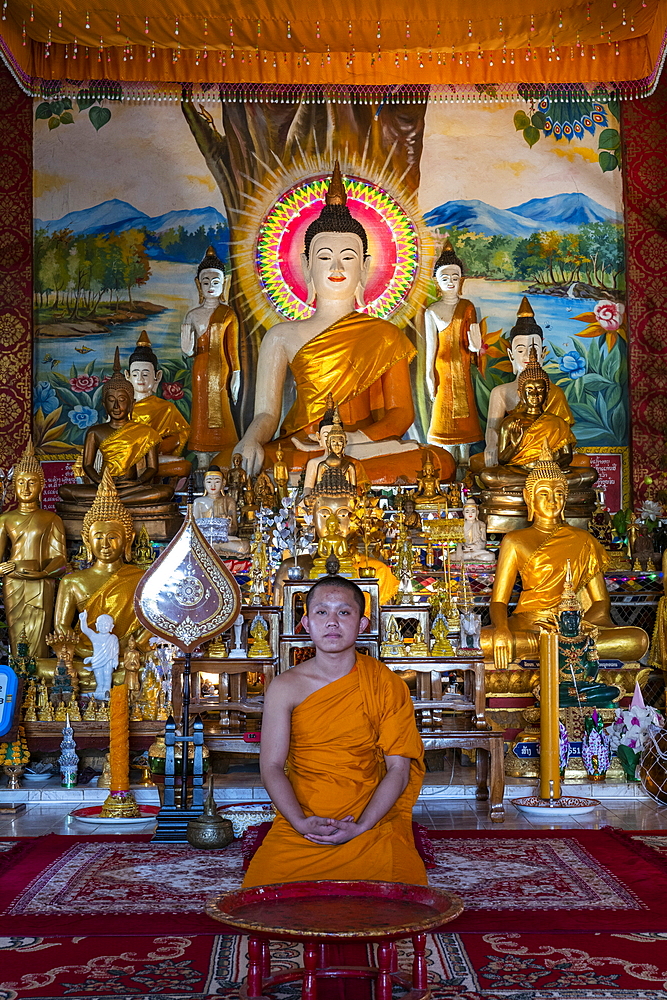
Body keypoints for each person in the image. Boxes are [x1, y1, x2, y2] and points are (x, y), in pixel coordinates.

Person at [230, 162, 455, 485]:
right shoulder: (281, 336)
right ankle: (338, 476)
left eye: (348, 257)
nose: (336, 266)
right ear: (307, 265)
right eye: (324, 257)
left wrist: (353, 440)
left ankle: (330, 475)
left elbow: (400, 415)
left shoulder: (385, 334)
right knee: (237, 460)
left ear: (364, 267)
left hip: (365, 445)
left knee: (438, 461)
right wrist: (251, 439)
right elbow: (267, 414)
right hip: (304, 445)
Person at [243, 576, 426, 887]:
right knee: (260, 896)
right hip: (304, 819)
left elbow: (398, 769)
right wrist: (300, 822)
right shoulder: (285, 687)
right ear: (305, 623)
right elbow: (271, 767)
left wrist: (364, 825)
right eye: (321, 613)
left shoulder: (385, 684)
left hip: (370, 819)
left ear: (363, 623)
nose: (332, 623)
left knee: (403, 894)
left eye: (344, 613)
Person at [0, 440, 67, 657]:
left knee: (39, 635)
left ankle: (39, 680)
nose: (26, 488)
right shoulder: (5, 519)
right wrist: (3, 569)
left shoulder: (51, 519)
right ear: (13, 486)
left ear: (42, 486)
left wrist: (44, 573)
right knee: (17, 634)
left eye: (31, 482)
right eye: (20, 483)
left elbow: (61, 559)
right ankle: (19, 680)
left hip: (41, 582)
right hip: (14, 581)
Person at [181, 246, 240, 469]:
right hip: (200, 369)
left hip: (222, 368)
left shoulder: (228, 313)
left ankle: (222, 451)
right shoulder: (193, 315)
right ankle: (201, 455)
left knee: (222, 410)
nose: (211, 287)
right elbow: (187, 350)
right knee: (201, 409)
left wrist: (236, 375)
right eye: (206, 282)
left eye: (215, 282)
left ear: (223, 283)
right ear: (198, 284)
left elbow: (232, 349)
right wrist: (186, 347)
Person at [425, 240, 483, 463]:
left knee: (465, 423)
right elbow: (431, 349)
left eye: (455, 278)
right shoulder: (432, 311)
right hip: (442, 371)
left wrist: (474, 346)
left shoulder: (467, 306)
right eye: (445, 278)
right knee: (443, 421)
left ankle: (465, 471)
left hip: (462, 368)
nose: (450, 282)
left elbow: (473, 345)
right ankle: (449, 471)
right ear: (437, 282)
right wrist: (429, 376)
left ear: (461, 281)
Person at [124, 330, 190, 479]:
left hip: (154, 457)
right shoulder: (121, 407)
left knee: (182, 465)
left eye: (146, 374)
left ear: (157, 376)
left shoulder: (165, 407)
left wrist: (154, 448)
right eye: (135, 374)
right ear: (127, 376)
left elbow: (178, 437)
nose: (140, 378)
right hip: (125, 457)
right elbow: (109, 436)